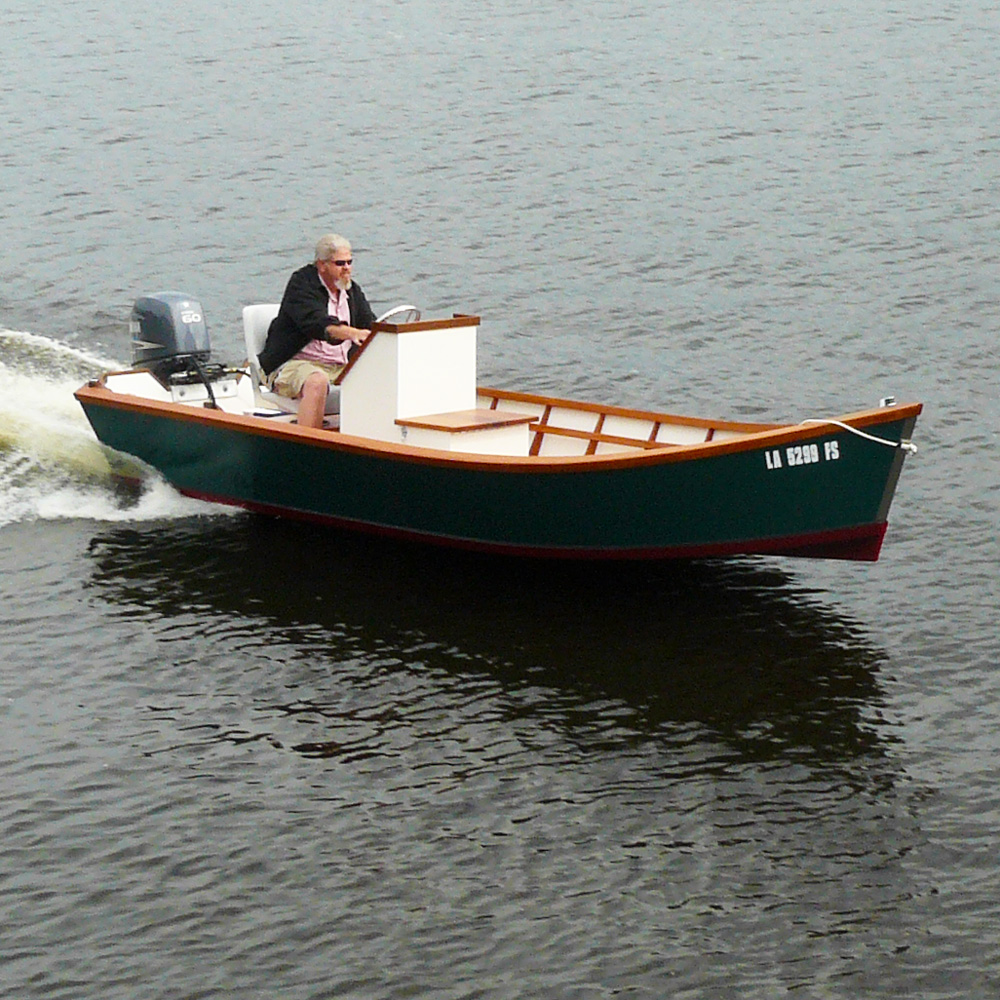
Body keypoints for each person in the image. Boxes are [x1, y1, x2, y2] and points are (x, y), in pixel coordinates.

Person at [258, 233, 376, 428]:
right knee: (317, 382)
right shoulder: (301, 284)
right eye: (340, 263)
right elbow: (319, 325)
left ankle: (373, 439)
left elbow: (370, 323)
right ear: (322, 265)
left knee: (381, 375)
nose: (347, 268)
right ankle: (308, 445)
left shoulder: (351, 290)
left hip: (339, 364)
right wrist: (353, 333)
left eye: (349, 262)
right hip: (295, 363)